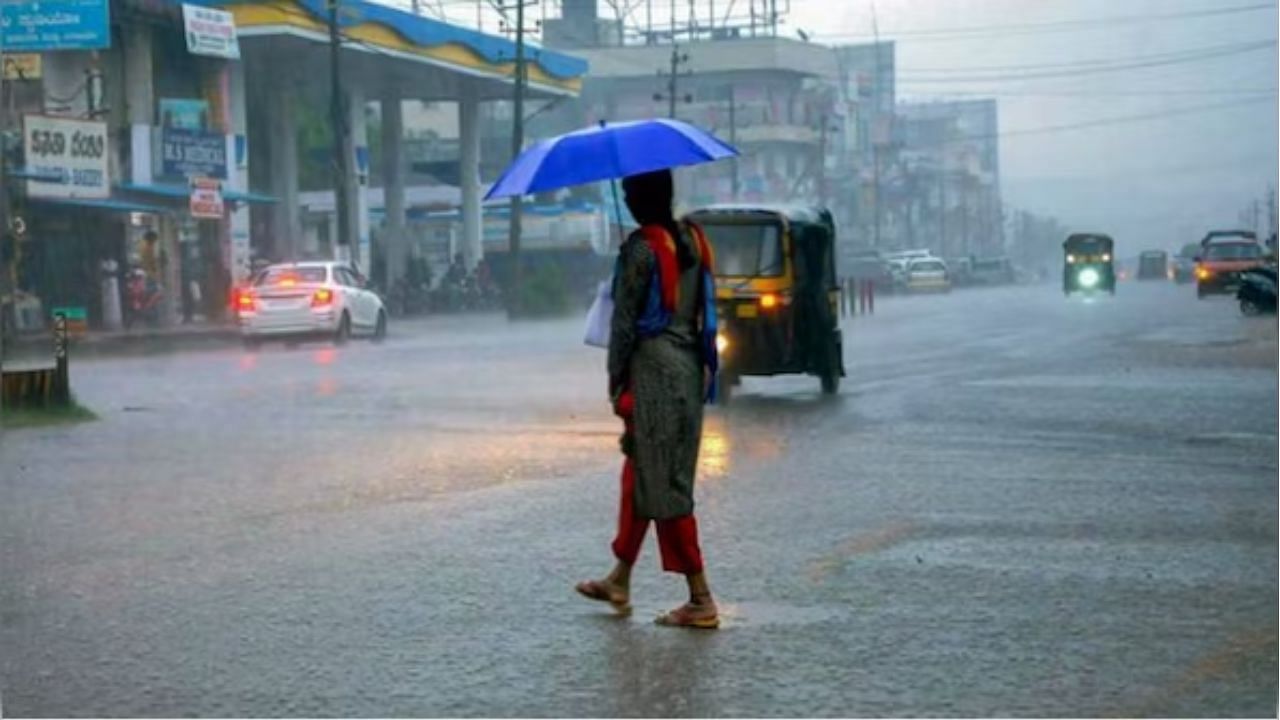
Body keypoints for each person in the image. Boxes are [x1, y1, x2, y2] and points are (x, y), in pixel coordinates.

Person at [575, 169, 721, 629]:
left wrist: (616, 380)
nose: (627, 198)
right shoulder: (695, 239)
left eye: (629, 192)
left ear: (642, 197)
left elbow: (623, 324)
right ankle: (620, 576)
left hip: (653, 374)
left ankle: (700, 597)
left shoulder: (640, 248)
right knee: (642, 474)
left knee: (665, 485)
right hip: (688, 369)